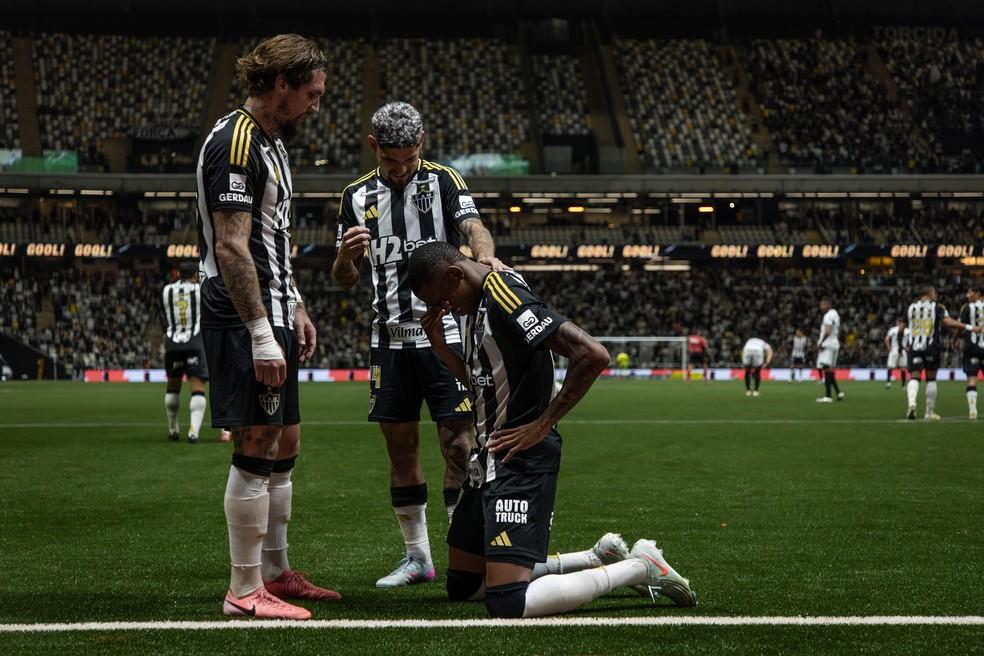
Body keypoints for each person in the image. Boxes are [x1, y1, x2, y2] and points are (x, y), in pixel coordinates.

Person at [408, 241, 696, 618]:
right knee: (464, 585)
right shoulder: (477, 304)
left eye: (441, 300)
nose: (443, 310)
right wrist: (441, 348)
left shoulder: (504, 297)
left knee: (507, 603)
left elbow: (592, 354)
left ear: (455, 275)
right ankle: (596, 557)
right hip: (487, 459)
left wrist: (542, 424)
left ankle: (640, 566)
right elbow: (484, 382)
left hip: (519, 460)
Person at [332, 102, 506, 588]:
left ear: (421, 143)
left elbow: (474, 228)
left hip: (447, 335)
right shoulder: (355, 195)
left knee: (458, 445)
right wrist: (346, 258)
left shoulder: (445, 181)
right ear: (374, 147)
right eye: (393, 161)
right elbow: (344, 279)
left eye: (410, 159)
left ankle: (461, 553)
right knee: (401, 450)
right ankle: (418, 558)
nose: (402, 169)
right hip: (389, 340)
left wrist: (487, 261)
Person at [196, 34, 338, 620]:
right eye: (311, 94)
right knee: (256, 443)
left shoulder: (273, 142)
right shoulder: (236, 144)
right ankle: (243, 589)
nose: (316, 106)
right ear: (279, 84)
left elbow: (269, 241)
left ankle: (276, 573)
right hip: (240, 313)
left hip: (275, 307)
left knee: (285, 440)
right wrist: (259, 331)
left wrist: (296, 304)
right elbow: (232, 248)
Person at [161, 263, 228, 443]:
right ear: (195, 275)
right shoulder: (200, 291)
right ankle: (193, 432)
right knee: (197, 387)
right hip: (194, 342)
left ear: (178, 273)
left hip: (173, 343)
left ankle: (173, 428)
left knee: (173, 386)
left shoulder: (167, 290)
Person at [905, 287, 978, 420]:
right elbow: (948, 322)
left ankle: (912, 404)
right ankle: (929, 412)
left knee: (914, 377)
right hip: (931, 347)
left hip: (914, 347)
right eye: (934, 293)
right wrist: (970, 327)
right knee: (931, 379)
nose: (936, 295)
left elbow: (906, 327)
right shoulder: (937, 307)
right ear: (929, 293)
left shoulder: (911, 307)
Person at [957, 286, 984, 419]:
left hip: (971, 348)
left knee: (972, 379)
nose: (967, 295)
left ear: (978, 293)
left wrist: (954, 338)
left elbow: (958, 326)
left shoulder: (967, 308)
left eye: (970, 292)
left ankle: (973, 410)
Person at [815, 298, 844, 403]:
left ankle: (828, 396)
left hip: (827, 345)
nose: (821, 307)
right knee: (830, 370)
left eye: (822, 305)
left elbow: (827, 330)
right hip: (835, 343)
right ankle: (838, 392)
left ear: (828, 304)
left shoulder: (827, 316)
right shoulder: (835, 314)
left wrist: (821, 343)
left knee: (826, 370)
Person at [883, 318, 910, 390]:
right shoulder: (906, 330)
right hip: (897, 350)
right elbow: (886, 339)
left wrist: (889, 348)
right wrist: (889, 348)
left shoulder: (905, 331)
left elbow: (886, 339)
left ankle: (889, 383)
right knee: (900, 368)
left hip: (899, 350)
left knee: (899, 368)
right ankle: (902, 385)